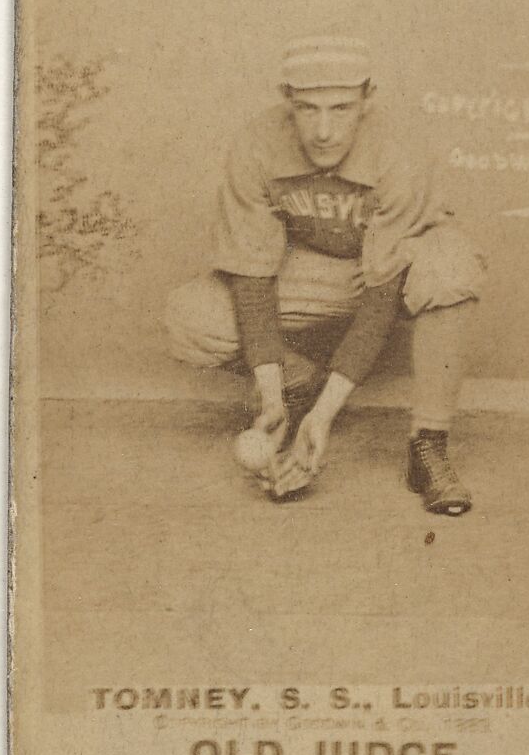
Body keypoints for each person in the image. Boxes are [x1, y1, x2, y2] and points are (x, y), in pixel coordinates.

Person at [165, 36, 486, 513]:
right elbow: (252, 276)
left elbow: (382, 294)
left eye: (341, 109)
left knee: (452, 263)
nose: (323, 131)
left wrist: (324, 416)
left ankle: (428, 444)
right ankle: (297, 387)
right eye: (307, 109)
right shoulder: (257, 143)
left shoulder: (398, 149)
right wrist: (272, 398)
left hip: (390, 272)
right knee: (190, 316)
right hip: (314, 271)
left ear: (367, 98)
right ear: (286, 99)